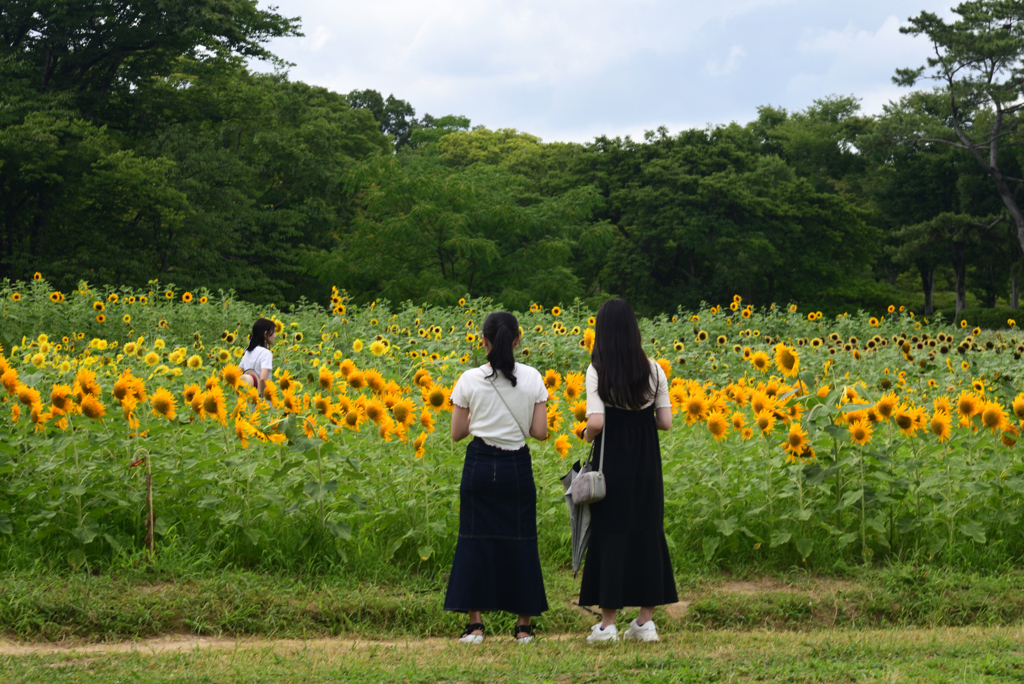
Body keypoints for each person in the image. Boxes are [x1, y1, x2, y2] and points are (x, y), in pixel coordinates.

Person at [444, 311, 550, 644]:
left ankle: (475, 627)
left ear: (484, 341)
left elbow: (457, 433)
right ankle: (523, 627)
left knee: (475, 541)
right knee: (521, 542)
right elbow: (540, 432)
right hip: (516, 465)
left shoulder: (469, 379)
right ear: (518, 340)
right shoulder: (533, 378)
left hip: (479, 463)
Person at [579, 298, 677, 643]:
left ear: (602, 332)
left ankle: (607, 625)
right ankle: (645, 622)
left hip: (612, 462)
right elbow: (664, 422)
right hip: (647, 461)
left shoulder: (598, 370)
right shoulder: (654, 369)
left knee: (612, 532)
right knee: (648, 529)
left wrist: (584, 434)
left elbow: (597, 421)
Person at [239, 318, 276, 397]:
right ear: (265, 334)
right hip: (261, 399)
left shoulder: (248, 351)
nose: (275, 336)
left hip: (248, 397)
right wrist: (262, 397)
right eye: (273, 332)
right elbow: (263, 378)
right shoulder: (266, 353)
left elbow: (238, 373)